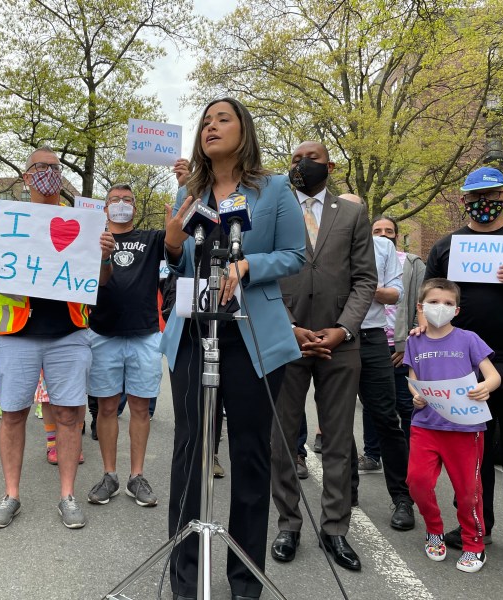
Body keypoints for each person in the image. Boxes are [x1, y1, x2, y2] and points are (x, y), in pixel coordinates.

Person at [161, 98, 305, 600]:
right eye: (205, 120)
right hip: (194, 337)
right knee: (190, 453)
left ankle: (244, 582)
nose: (210, 126)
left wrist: (246, 267)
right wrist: (173, 244)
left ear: (244, 131)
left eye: (223, 119)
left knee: (249, 456)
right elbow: (175, 264)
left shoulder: (276, 189)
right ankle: (186, 580)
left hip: (251, 339)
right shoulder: (187, 190)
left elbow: (294, 254)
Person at [0, 146, 114, 530]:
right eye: (41, 167)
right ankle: (11, 494)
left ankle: (67, 495)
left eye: (55, 167)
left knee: (69, 414)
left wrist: (104, 256)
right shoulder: (8, 220)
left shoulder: (83, 223)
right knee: (14, 413)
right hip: (16, 334)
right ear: (27, 176)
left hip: (69, 333)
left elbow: (99, 282)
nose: (49, 172)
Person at [270, 141, 377, 572]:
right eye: (295, 159)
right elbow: (264, 276)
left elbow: (365, 279)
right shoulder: (275, 210)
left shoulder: (351, 213)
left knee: (337, 441)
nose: (301, 165)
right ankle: (288, 524)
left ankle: (335, 529)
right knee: (281, 440)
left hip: (340, 343)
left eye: (310, 159)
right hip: (286, 340)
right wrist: (288, 328)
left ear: (330, 166)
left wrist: (342, 330)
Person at [424, 166, 503, 568]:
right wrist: (424, 319)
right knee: (470, 454)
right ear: (463, 199)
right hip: (463, 365)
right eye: (473, 196)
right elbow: (431, 300)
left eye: (491, 194)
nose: (481, 203)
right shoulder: (448, 246)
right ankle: (474, 526)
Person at [404, 278, 500, 573]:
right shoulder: (414, 340)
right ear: (421, 307)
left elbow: (493, 375)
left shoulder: (468, 338)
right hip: (426, 425)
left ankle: (474, 543)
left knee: (468, 490)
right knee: (417, 482)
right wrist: (416, 396)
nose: (440, 308)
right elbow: (413, 377)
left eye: (447, 304)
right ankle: (434, 529)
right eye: (434, 302)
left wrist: (486, 387)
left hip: (464, 428)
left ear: (457, 310)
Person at [338, 194, 414, 529]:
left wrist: (364, 288)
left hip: (370, 336)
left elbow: (395, 293)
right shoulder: (321, 243)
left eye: (356, 208)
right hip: (336, 336)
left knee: (386, 416)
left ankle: (402, 497)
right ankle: (346, 491)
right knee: (337, 418)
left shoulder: (381, 248)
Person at [86, 184, 165, 508]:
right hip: (103, 334)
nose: (122, 204)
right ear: (104, 209)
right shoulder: (91, 241)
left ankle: (136, 475)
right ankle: (109, 475)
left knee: (140, 409)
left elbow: (180, 233)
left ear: (135, 207)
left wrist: (184, 185)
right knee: (106, 408)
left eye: (127, 200)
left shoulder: (152, 239)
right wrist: (101, 257)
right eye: (115, 200)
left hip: (145, 335)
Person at [366, 215, 426, 452]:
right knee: (374, 403)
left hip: (402, 346)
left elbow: (420, 304)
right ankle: (371, 453)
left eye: (388, 231)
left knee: (406, 403)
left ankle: (413, 455)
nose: (383, 235)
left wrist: (407, 345)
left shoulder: (412, 263)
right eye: (377, 231)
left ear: (397, 236)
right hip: (372, 341)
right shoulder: (362, 260)